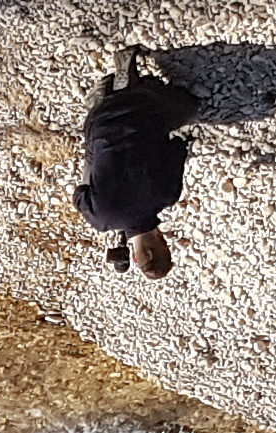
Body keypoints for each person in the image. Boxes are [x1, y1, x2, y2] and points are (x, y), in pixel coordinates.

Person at [73, 45, 203, 276]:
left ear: (162, 242)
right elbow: (81, 189)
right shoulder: (99, 219)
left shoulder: (167, 193)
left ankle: (126, 89)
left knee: (190, 108)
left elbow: (175, 145)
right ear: (134, 256)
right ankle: (103, 99)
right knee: (95, 157)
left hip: (143, 111)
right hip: (98, 125)